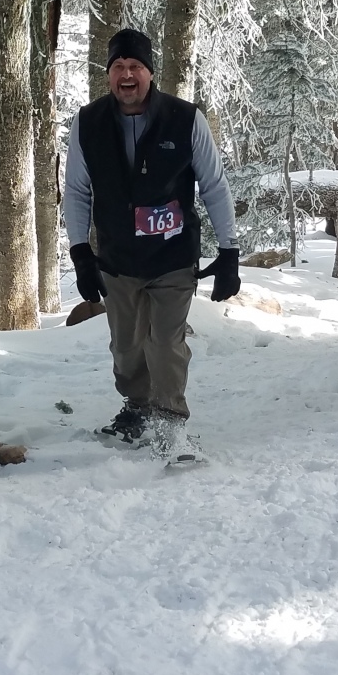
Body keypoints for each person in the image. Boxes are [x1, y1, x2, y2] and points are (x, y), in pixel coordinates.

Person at [63, 28, 240, 450]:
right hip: (118, 259)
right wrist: (81, 253)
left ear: (150, 72)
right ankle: (137, 408)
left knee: (165, 343)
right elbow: (77, 191)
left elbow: (214, 186)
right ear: (109, 74)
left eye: (135, 66)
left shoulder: (185, 119)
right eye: (118, 67)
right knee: (126, 349)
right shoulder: (88, 123)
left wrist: (229, 251)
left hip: (172, 257)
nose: (127, 75)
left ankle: (171, 422)